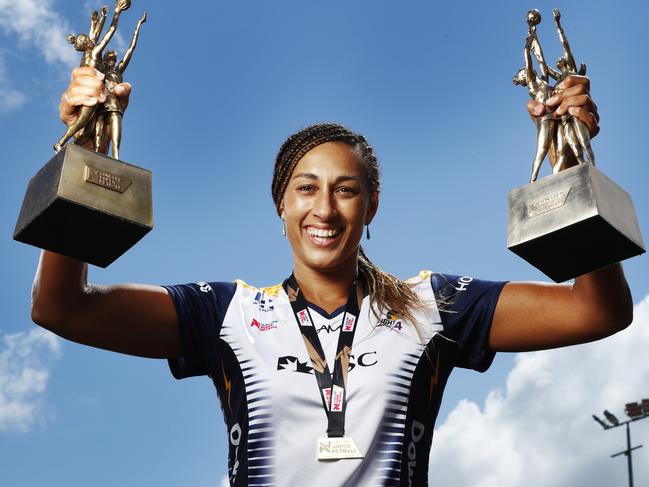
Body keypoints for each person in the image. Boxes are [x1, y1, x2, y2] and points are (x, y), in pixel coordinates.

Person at [35, 65, 630, 486]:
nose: (325, 209)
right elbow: (61, 308)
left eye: (346, 191)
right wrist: (83, 150)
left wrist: (570, 162)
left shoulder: (432, 305)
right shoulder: (226, 314)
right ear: (281, 205)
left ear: (370, 207)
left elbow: (596, 311)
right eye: (306, 190)